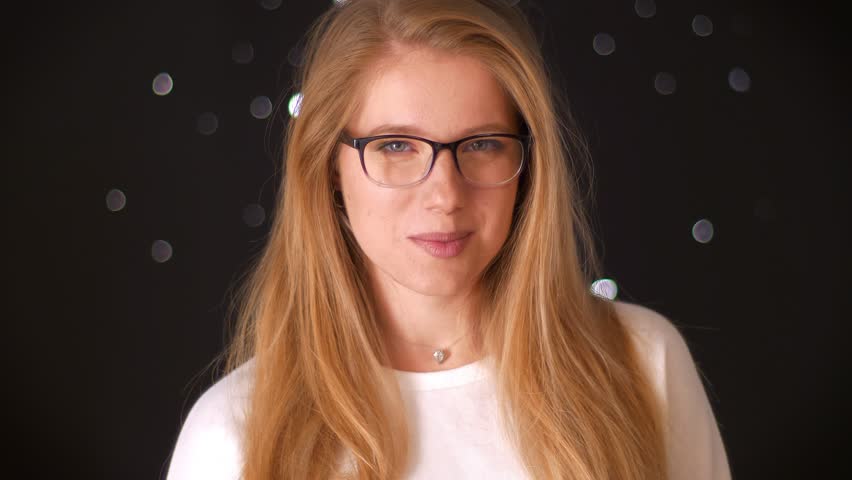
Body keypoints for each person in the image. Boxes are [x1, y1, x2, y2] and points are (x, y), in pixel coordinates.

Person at [165, 0, 731, 478]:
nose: (445, 195)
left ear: (528, 164)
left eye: (482, 143)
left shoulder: (641, 361)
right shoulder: (233, 433)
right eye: (395, 146)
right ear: (326, 168)